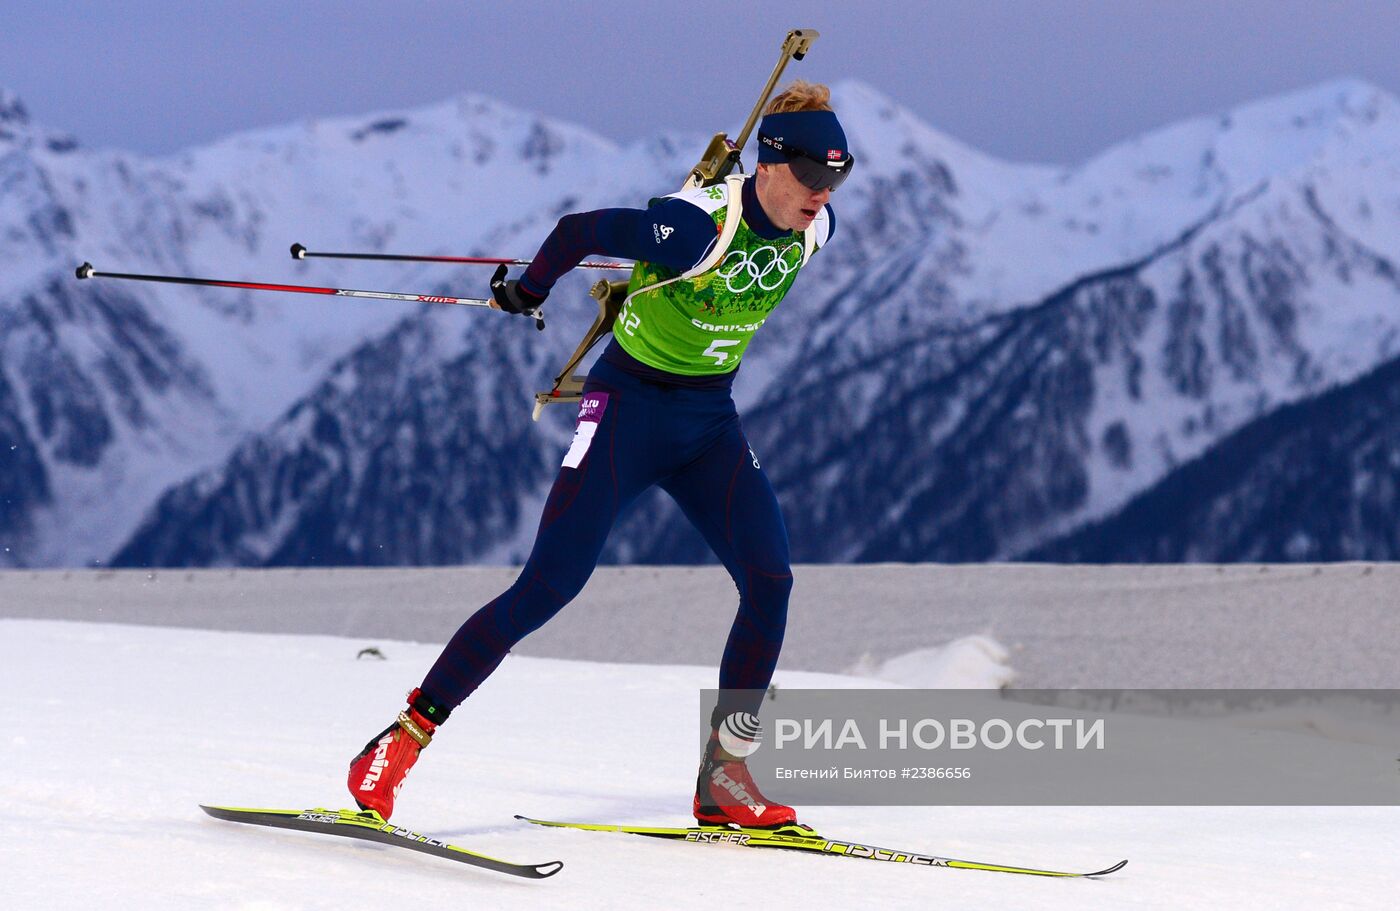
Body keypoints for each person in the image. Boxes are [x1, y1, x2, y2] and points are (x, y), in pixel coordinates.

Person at [348, 81, 853, 829]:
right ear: (771, 165)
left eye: (838, 178)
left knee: (771, 579)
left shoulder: (818, 227)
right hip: (628, 410)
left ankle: (724, 777)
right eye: (813, 175)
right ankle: (400, 740)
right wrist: (528, 290)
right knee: (549, 584)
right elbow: (578, 228)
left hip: (709, 420)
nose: (824, 194)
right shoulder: (693, 228)